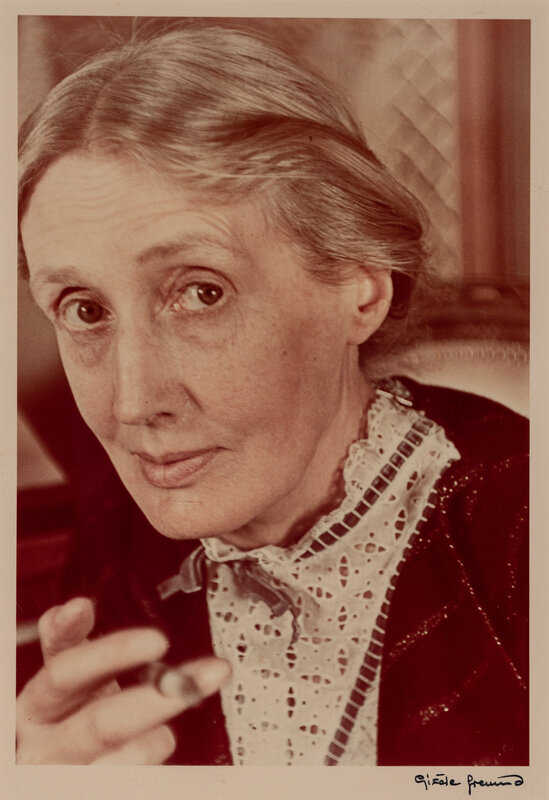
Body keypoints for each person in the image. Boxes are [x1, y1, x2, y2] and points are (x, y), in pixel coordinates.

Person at [16, 23, 528, 766]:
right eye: (85, 309)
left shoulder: (522, 526)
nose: (132, 404)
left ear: (360, 291)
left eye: (202, 292)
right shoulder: (119, 539)